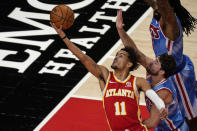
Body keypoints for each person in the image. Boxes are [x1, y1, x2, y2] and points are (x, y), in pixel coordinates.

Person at [50, 22, 167, 130]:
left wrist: (161, 107)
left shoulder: (138, 82)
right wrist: (63, 37)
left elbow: (153, 96)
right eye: (116, 55)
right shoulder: (105, 76)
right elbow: (83, 57)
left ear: (129, 64)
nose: (116, 57)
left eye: (121, 56)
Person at [116, 9, 189, 130]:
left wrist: (126, 125)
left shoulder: (163, 91)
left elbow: (150, 123)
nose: (151, 62)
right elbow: (136, 53)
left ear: (162, 72)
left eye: (156, 62)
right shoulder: (153, 71)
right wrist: (120, 29)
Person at [144, 0, 197, 129]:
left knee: (191, 116)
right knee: (173, 112)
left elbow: (163, 4)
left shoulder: (171, 22)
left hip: (179, 75)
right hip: (165, 70)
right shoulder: (158, 12)